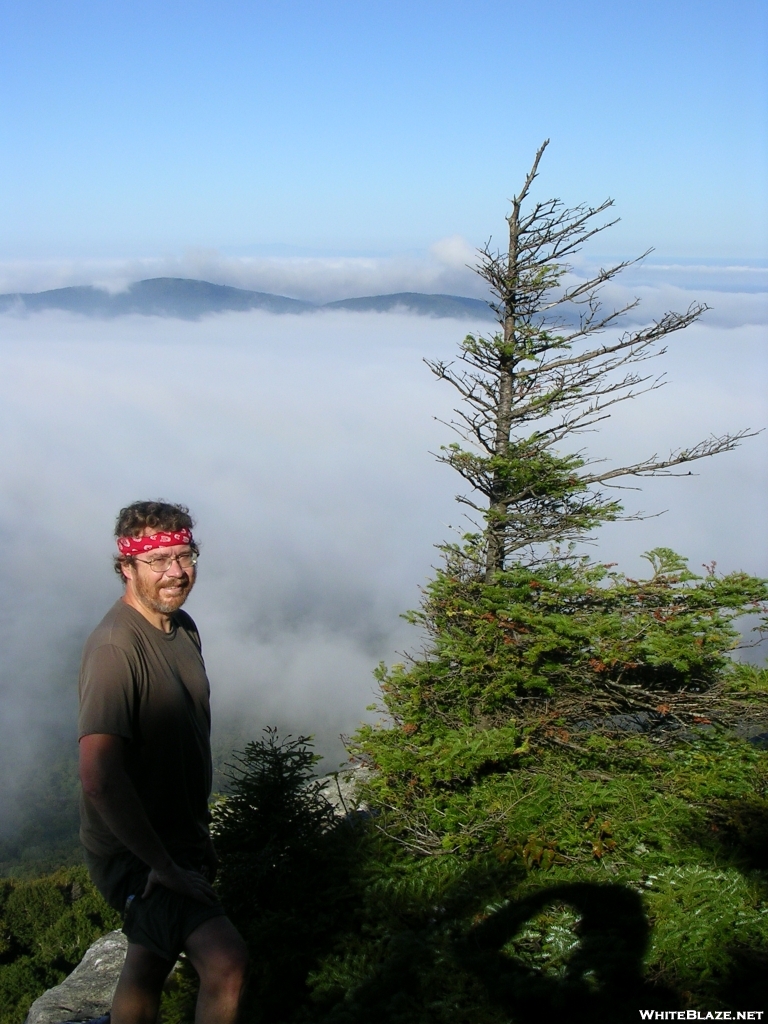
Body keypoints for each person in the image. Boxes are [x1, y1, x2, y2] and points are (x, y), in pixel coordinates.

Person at [78, 500, 248, 1024]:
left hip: (176, 841)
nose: (176, 572)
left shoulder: (183, 628)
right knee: (226, 964)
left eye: (185, 555)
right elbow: (99, 777)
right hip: (139, 853)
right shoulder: (114, 647)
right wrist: (163, 867)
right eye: (158, 560)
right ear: (127, 568)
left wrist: (193, 842)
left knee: (148, 962)